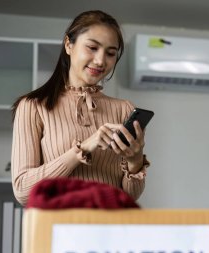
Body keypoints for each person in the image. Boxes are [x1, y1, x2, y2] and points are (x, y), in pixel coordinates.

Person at [11, 10, 150, 206]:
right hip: (57, 230)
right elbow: (23, 191)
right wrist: (82, 148)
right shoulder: (33, 106)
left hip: (110, 228)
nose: (101, 60)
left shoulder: (124, 109)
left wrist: (135, 161)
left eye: (110, 53)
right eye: (92, 47)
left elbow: (129, 197)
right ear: (69, 44)